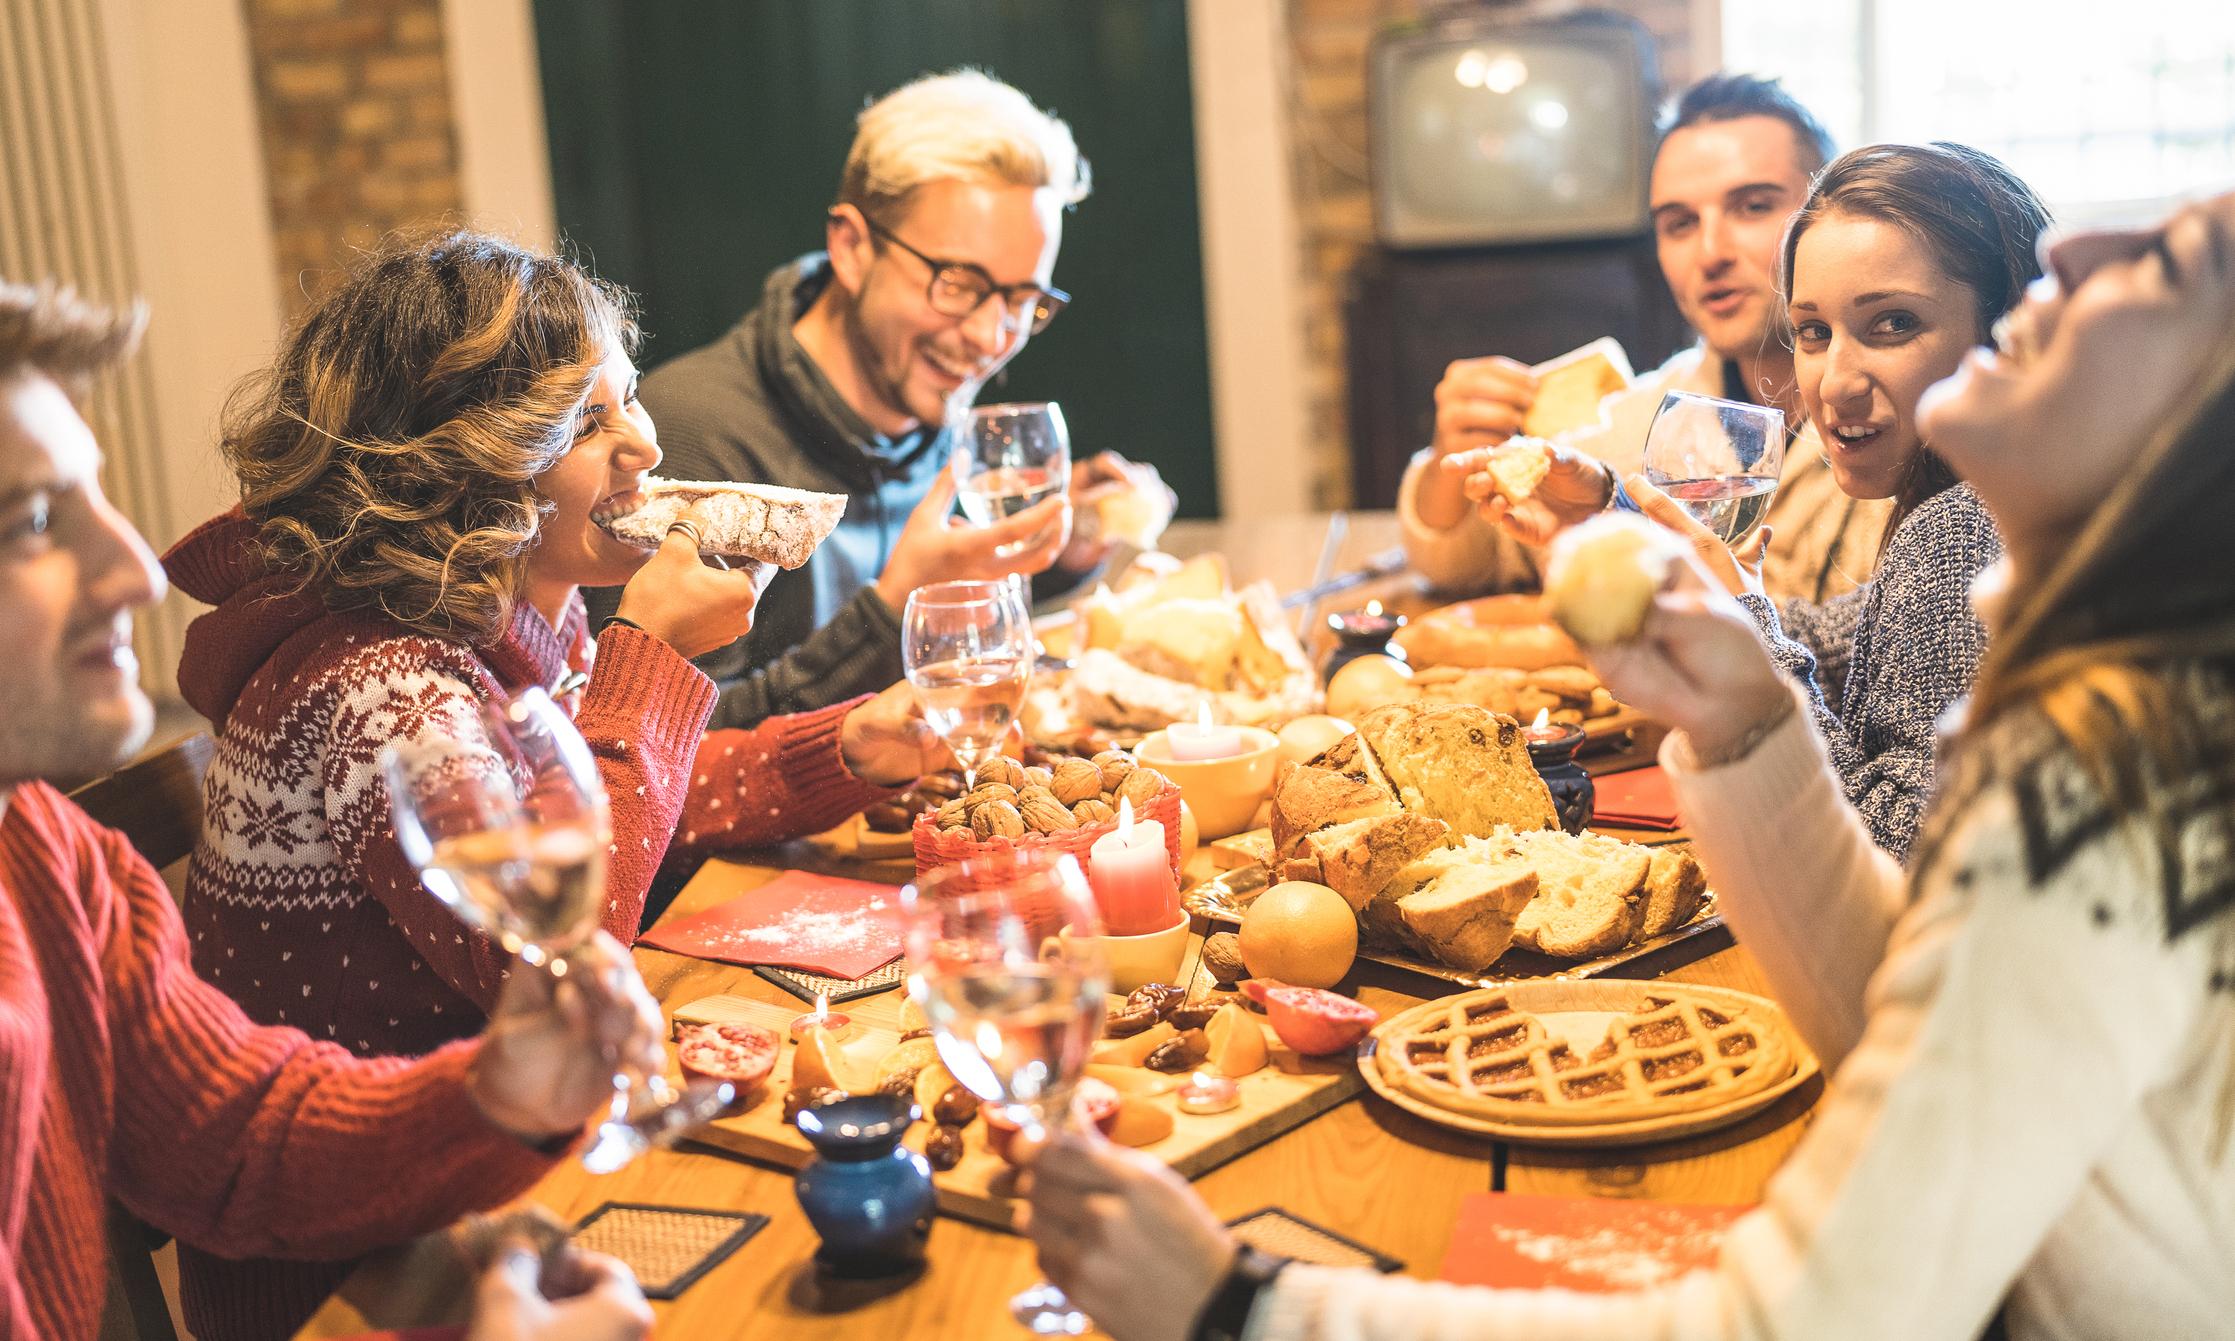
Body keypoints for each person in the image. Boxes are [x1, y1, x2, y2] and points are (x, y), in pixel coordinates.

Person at [1024, 190, 2235, 1340]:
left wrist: (1244, 1305)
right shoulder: (2131, 701)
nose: (2078, 252)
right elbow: (1911, 1014)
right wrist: (1751, 732)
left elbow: (1802, 1323)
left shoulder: (2106, 784)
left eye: (2173, 267)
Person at [163, 230, 943, 1337]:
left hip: (508, 1181)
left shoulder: (507, 612)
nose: (647, 446)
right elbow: (560, 959)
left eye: (628, 403)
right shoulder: (382, 691)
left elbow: (614, 807)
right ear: (460, 466)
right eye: (590, 424)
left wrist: (845, 750)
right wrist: (656, 659)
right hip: (364, 1272)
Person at [0, 280, 661, 1340]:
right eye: (34, 522)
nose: (135, 568)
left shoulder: (44, 846)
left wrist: (497, 1096)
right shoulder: (380, 682)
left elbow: (238, 1140)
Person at [594, 68, 1172, 730]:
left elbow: (916, 617)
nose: (991, 337)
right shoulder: (690, 440)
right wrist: (893, 606)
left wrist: (1051, 562)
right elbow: (665, 752)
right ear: (851, 247)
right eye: (957, 283)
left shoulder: (925, 404)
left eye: (1021, 300)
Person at [1621, 142, 2041, 861]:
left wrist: (1748, 632)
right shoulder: (2024, 497)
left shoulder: (1962, 526)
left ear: (2002, 330)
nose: (1832, 382)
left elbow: (1891, 855)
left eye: (1893, 323)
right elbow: (1843, 630)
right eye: (1813, 332)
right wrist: (1708, 596)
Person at [1404, 74, 1891, 604]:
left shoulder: (1898, 422)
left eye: (1752, 206)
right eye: (1680, 223)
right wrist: (1451, 456)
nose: (1710, 253)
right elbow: (1463, 560)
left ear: (1830, 217)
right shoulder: (1649, 419)